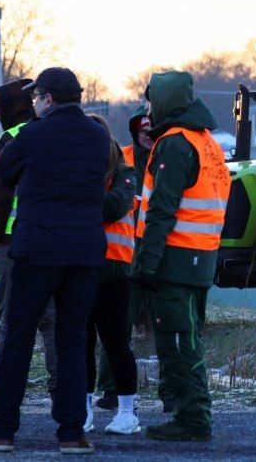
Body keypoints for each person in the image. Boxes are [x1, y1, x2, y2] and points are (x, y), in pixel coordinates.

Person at [0, 68, 109, 455]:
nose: (33, 103)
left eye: (36, 97)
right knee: (72, 341)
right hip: (84, 253)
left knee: (18, 337)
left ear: (46, 98)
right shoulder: (100, 136)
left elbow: (6, 174)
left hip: (38, 250)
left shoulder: (32, 134)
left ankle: (1, 431)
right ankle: (72, 433)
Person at [133, 71, 229, 442]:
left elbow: (162, 211)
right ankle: (193, 414)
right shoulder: (207, 143)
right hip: (200, 258)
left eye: (151, 101)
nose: (147, 108)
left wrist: (146, 263)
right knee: (188, 339)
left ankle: (191, 419)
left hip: (174, 260)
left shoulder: (174, 144)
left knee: (176, 341)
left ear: (167, 102)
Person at [0, 78, 58, 396]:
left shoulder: (12, 138)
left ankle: (7, 388)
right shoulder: (51, 134)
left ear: (10, 109)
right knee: (51, 319)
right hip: (50, 243)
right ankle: (61, 385)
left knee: (12, 319)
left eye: (0, 109)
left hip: (12, 243)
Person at [95, 107, 164, 412]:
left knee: (165, 327)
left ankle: (171, 393)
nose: (148, 137)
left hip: (160, 250)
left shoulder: (171, 158)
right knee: (117, 329)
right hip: (123, 256)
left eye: (153, 131)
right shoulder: (120, 159)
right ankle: (111, 390)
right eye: (143, 131)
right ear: (135, 131)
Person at [83, 114, 140, 436]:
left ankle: (128, 412)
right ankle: (83, 409)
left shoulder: (123, 172)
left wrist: (78, 197)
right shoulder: (78, 171)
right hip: (81, 268)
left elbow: (113, 206)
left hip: (115, 269)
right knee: (81, 343)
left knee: (116, 343)